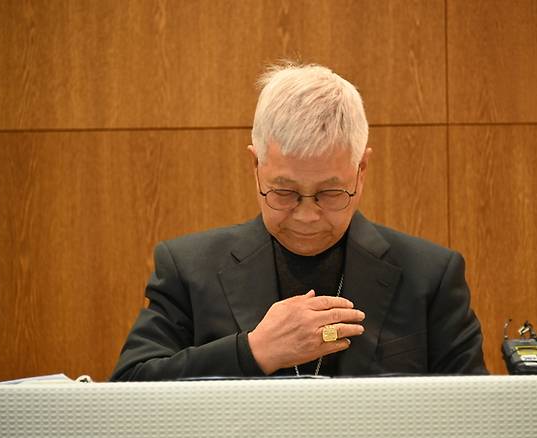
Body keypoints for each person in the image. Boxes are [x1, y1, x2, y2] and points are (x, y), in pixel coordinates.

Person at [110, 62, 487, 380]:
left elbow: (474, 412)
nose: (307, 216)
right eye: (284, 192)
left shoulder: (430, 276)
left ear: (361, 171)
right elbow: (129, 385)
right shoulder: (188, 269)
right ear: (255, 166)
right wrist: (252, 351)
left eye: (330, 193)